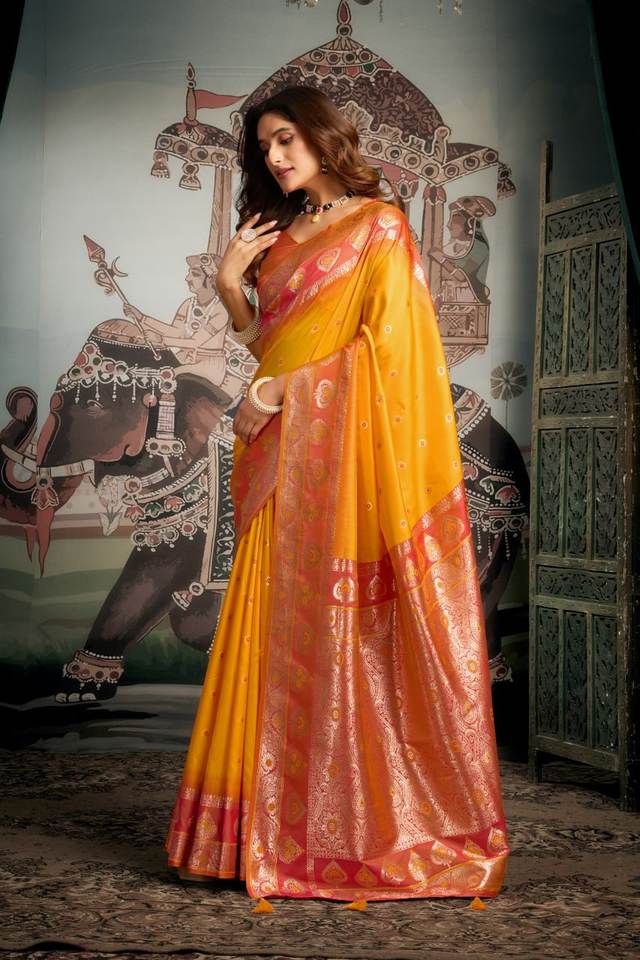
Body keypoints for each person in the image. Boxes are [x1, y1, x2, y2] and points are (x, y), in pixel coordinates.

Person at [164, 85, 509, 907]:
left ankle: (334, 832)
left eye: (286, 138)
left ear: (322, 136)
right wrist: (230, 284)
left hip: (336, 455)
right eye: (264, 147)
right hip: (276, 453)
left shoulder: (379, 227)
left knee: (334, 635)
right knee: (263, 632)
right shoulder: (282, 238)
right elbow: (267, 344)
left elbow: (392, 351)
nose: (276, 156)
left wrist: (285, 391)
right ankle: (238, 835)